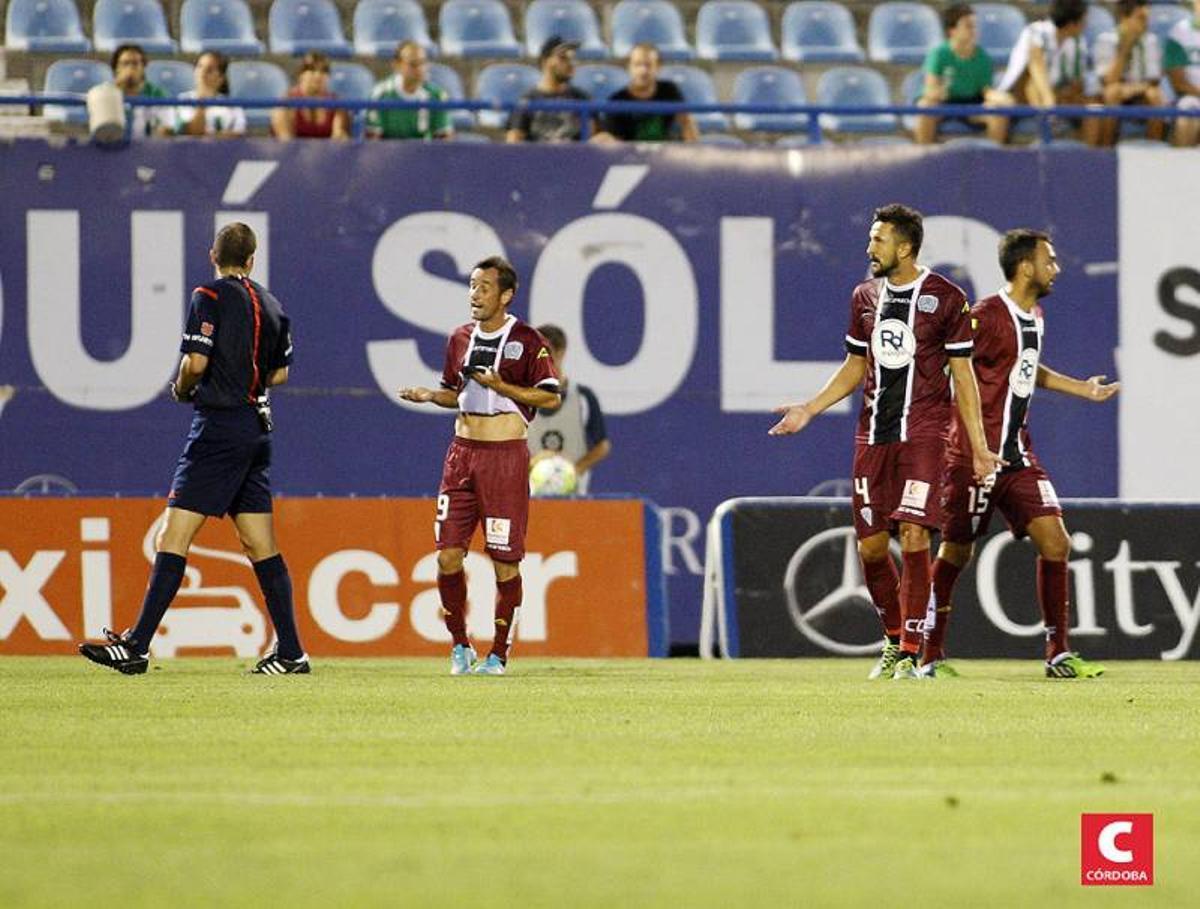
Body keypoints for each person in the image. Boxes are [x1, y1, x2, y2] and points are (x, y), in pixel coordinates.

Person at [769, 204, 1002, 681]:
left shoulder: (946, 298)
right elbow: (856, 365)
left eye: (878, 240)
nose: (869, 248)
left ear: (905, 247)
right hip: (873, 436)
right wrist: (810, 408)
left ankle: (913, 652)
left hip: (924, 436)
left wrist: (979, 447)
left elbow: (963, 377)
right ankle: (895, 640)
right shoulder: (864, 296)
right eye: (871, 238)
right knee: (872, 549)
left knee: (914, 534)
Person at [79, 223, 307, 676]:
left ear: (212, 256)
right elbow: (280, 374)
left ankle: (137, 646)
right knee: (259, 543)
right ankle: (291, 653)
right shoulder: (273, 304)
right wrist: (247, 378)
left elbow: (196, 362)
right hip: (256, 429)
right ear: (252, 260)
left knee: (173, 536)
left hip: (219, 427)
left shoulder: (209, 295)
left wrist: (183, 388)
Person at [925, 230, 1118, 680]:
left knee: (1056, 541)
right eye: (1049, 260)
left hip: (1016, 456)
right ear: (1026, 267)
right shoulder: (986, 315)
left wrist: (1082, 389)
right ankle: (928, 655)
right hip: (973, 458)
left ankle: (1058, 655)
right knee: (956, 553)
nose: (1056, 269)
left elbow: (1026, 367)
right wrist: (970, 444)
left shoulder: (1034, 315)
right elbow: (952, 366)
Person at [398, 257, 561, 676]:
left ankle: (498, 655)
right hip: (461, 455)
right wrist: (429, 395)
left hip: (504, 458)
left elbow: (550, 396)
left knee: (505, 561)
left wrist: (501, 386)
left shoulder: (527, 340)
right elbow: (455, 393)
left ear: (506, 295)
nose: (475, 294)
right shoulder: (459, 338)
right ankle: (460, 646)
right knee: (447, 556)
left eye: (484, 287)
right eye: (472, 285)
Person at [997, 0, 1101, 144]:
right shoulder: (1036, 31)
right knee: (1033, 84)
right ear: (1072, 24)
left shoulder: (1078, 43)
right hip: (1021, 94)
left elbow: (1082, 81)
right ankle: (1046, 131)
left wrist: (1070, 93)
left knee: (1094, 108)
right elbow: (1035, 66)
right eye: (1084, 20)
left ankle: (1090, 155)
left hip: (1058, 94)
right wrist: (1049, 100)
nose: (1086, 25)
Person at [528, 324, 611, 494]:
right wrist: (530, 464)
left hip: (575, 498)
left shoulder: (582, 398)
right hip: (530, 497)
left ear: (561, 352)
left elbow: (602, 446)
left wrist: (575, 469)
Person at [914, 3, 1012, 145]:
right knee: (925, 107)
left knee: (997, 112)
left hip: (972, 104)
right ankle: (924, 154)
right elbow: (931, 90)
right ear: (952, 30)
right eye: (968, 26)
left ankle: (994, 155)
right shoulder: (938, 55)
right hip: (944, 104)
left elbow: (986, 91)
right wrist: (939, 92)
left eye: (975, 26)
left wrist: (1001, 98)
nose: (974, 30)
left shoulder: (983, 58)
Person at [1092, 0, 1167, 146]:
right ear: (1124, 18)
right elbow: (1108, 80)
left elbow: (1153, 79)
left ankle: (1154, 149)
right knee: (1112, 93)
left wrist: (1133, 89)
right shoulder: (1106, 40)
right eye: (1140, 18)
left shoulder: (1151, 40)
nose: (1145, 24)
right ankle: (1106, 150)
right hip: (1116, 91)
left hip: (1140, 91)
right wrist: (1125, 48)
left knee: (1155, 96)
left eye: (1147, 19)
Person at [595, 43, 698, 143]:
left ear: (658, 67)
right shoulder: (616, 101)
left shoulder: (669, 90)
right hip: (629, 153)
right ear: (629, 68)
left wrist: (694, 150)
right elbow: (613, 141)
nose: (643, 70)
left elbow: (687, 122)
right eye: (637, 64)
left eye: (648, 65)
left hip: (664, 151)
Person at [506, 36, 596, 143]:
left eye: (573, 59)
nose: (571, 63)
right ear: (545, 61)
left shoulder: (582, 98)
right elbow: (513, 143)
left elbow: (595, 138)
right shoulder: (527, 101)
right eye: (563, 58)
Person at [367, 40, 453, 140]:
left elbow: (444, 140)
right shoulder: (380, 95)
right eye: (413, 64)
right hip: (390, 149)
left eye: (423, 62)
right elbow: (373, 142)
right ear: (397, 65)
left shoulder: (437, 96)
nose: (420, 69)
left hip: (425, 149)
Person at [272, 51, 349, 141]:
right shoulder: (285, 103)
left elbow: (338, 135)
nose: (318, 75)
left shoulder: (336, 103)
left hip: (328, 149)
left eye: (323, 71)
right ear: (301, 74)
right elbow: (285, 140)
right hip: (295, 149)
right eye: (312, 70)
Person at [174, 51, 246, 137]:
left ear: (221, 78)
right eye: (199, 67)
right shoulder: (183, 99)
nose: (202, 73)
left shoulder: (233, 106)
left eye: (210, 70)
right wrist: (202, 102)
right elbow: (193, 132)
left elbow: (239, 135)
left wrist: (213, 136)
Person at [110, 43, 170, 139]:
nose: (130, 68)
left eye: (135, 63)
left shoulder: (157, 94)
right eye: (125, 63)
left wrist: (163, 131)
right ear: (116, 68)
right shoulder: (106, 94)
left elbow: (166, 129)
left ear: (143, 68)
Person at [1164, 0, 1200, 146]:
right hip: (1193, 97)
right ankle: (1183, 159)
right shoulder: (1180, 32)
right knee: (1187, 111)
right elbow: (1178, 83)